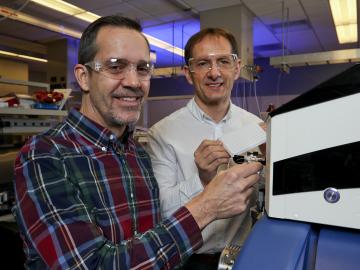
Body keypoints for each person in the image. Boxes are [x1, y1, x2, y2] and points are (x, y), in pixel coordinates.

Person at [13, 16, 262, 269]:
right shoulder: (46, 156)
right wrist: (205, 206)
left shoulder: (136, 154)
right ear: (84, 77)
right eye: (115, 66)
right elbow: (92, 264)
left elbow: (153, 242)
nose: (133, 82)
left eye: (142, 69)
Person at [147, 28, 264, 269]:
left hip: (243, 257)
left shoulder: (256, 129)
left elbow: (264, 196)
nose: (214, 72)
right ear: (188, 74)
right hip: (188, 261)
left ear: (237, 67)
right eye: (203, 63)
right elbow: (160, 212)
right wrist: (202, 180)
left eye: (223, 61)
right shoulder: (162, 133)